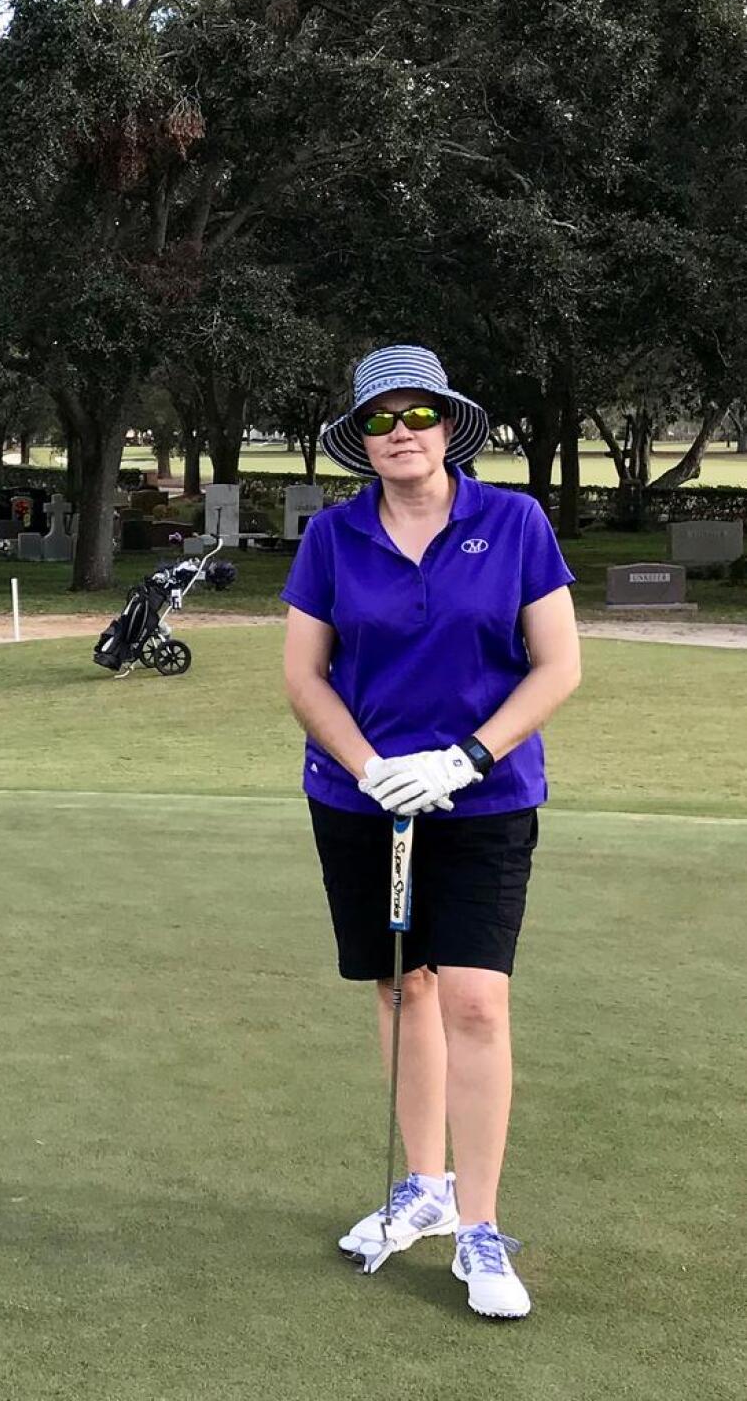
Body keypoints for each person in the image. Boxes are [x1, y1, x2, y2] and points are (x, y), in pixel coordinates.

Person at [281, 345, 581, 1319]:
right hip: (358, 798)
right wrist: (368, 767)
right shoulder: (333, 537)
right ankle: (423, 1187)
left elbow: (557, 666)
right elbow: (303, 677)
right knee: (401, 987)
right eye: (379, 419)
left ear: (448, 425)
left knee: (475, 1003)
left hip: (482, 800)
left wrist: (466, 758)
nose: (400, 432)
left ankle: (479, 1227)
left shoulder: (513, 522)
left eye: (417, 414)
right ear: (360, 438)